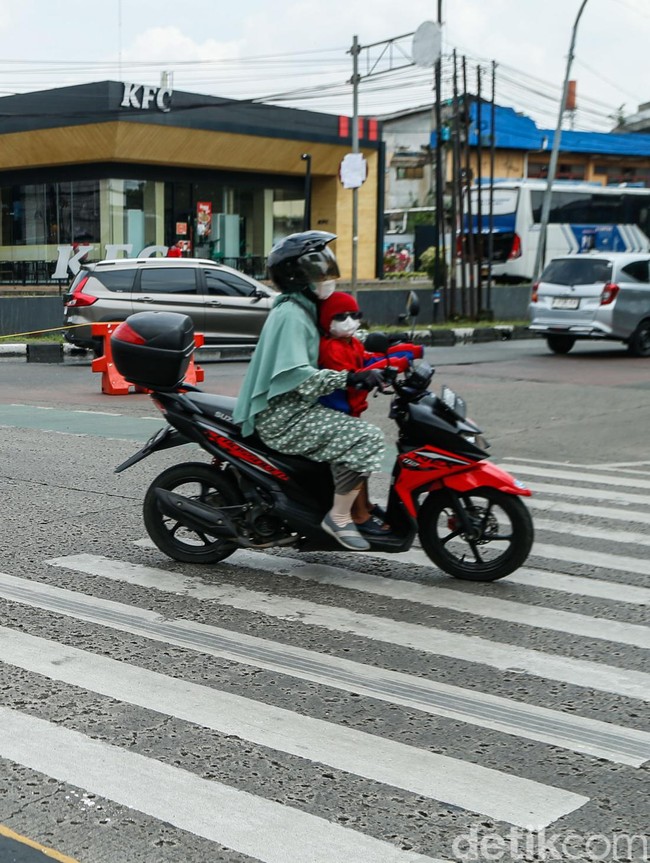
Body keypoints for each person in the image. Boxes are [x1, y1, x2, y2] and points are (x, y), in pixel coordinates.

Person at [232, 231, 386, 552]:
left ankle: (358, 510)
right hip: (286, 416)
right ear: (297, 275)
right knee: (366, 437)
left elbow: (338, 334)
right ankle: (339, 517)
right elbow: (299, 376)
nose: (327, 276)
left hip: (299, 408)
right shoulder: (292, 315)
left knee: (356, 432)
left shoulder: (304, 308)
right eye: (318, 269)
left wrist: (381, 350)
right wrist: (350, 379)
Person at [317, 290, 423, 532]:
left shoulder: (351, 341)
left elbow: (366, 358)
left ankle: (364, 504)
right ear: (327, 320)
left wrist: (401, 351)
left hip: (350, 411)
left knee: (363, 456)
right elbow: (353, 375)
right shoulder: (331, 347)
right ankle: (359, 515)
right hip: (335, 412)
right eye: (341, 316)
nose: (350, 321)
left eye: (355, 315)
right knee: (360, 453)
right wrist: (376, 370)